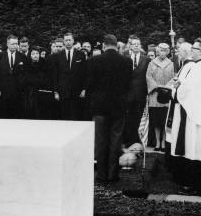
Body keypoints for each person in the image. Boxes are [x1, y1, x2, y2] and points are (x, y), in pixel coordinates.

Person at [166, 39, 201, 195]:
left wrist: (178, 87)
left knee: (197, 148)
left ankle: (198, 186)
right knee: (199, 148)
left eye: (194, 49)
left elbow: (191, 90)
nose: (192, 51)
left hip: (198, 116)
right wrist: (182, 83)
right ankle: (200, 185)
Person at [86, 34, 132, 183]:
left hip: (99, 107)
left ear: (103, 45)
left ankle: (101, 174)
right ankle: (113, 174)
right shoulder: (127, 61)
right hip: (118, 106)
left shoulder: (93, 61)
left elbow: (89, 85)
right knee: (116, 140)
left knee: (100, 141)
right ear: (116, 45)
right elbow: (128, 84)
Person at [146, 43, 174, 151]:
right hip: (155, 94)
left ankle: (163, 142)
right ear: (158, 51)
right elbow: (148, 77)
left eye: (165, 51)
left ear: (167, 52)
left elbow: (173, 77)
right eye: (161, 50)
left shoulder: (171, 64)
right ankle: (157, 142)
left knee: (164, 121)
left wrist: (166, 87)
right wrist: (156, 86)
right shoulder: (152, 63)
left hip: (166, 95)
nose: (163, 52)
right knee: (156, 121)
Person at [52, 32, 86, 121]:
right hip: (63, 91)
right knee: (64, 116)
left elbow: (84, 73)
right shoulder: (58, 55)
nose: (68, 42)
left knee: (75, 116)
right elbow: (56, 74)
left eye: (69, 40)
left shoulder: (81, 54)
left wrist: (84, 89)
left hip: (77, 90)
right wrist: (56, 91)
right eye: (66, 40)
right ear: (63, 41)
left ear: (73, 41)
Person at [0, 34, 27, 119]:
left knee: (16, 116)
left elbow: (24, 74)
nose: (15, 46)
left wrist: (21, 88)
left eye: (16, 44)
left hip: (17, 92)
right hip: (2, 91)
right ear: (7, 44)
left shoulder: (22, 57)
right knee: (3, 115)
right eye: (12, 44)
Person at [124, 35, 150, 147]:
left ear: (140, 46)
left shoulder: (146, 59)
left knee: (138, 117)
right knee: (128, 118)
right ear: (130, 46)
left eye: (138, 44)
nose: (136, 46)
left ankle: (137, 140)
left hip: (140, 93)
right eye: (134, 44)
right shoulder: (125, 58)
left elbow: (148, 77)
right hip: (127, 93)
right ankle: (128, 141)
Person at [23, 46, 51, 119]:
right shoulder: (27, 64)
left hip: (42, 92)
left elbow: (46, 78)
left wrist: (36, 81)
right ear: (30, 55)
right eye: (33, 54)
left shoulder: (45, 64)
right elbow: (25, 78)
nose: (35, 55)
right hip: (30, 92)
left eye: (37, 53)